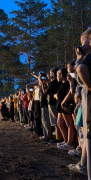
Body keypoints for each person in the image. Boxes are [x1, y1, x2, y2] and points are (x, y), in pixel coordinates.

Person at [75, 27, 91, 179]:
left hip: (88, 98)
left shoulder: (88, 58)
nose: (81, 45)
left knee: (88, 133)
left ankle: (85, 166)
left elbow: (80, 72)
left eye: (83, 41)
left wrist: (80, 58)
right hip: (86, 98)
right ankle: (84, 164)